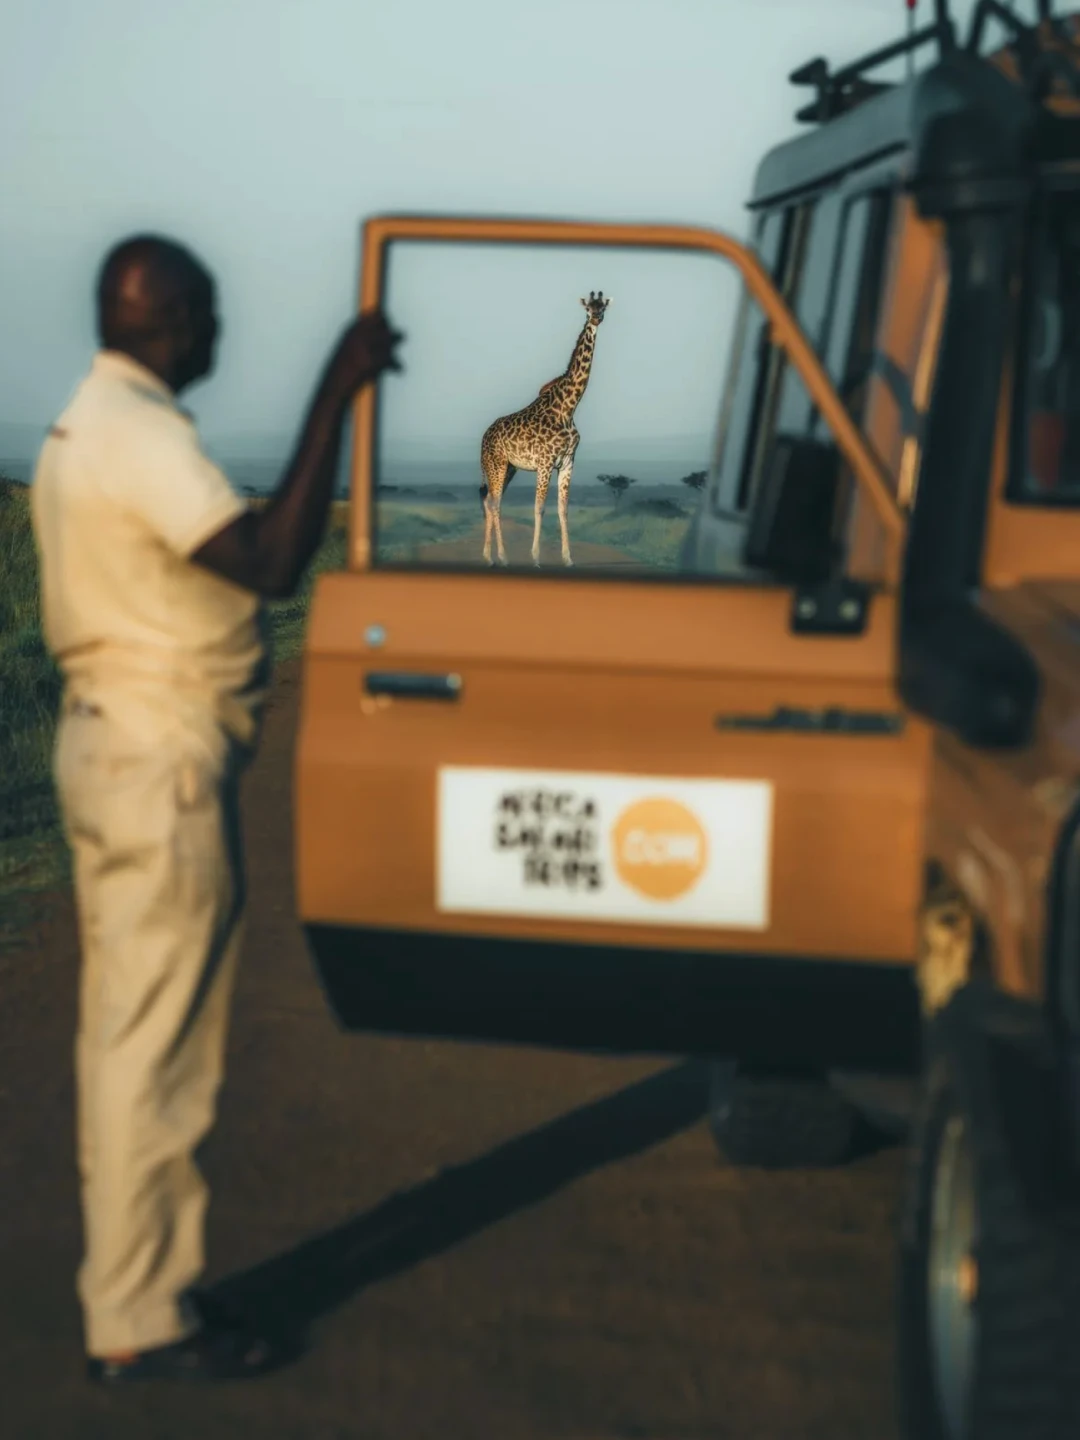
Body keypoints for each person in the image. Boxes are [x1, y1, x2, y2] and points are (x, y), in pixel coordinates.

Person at [30, 234, 403, 1384]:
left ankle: (135, 1288)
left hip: (113, 751)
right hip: (161, 768)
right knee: (159, 1052)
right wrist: (337, 393)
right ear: (173, 320)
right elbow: (274, 557)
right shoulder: (138, 434)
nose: (223, 335)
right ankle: (141, 1321)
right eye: (212, 315)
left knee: (123, 1039)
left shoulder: (80, 425)